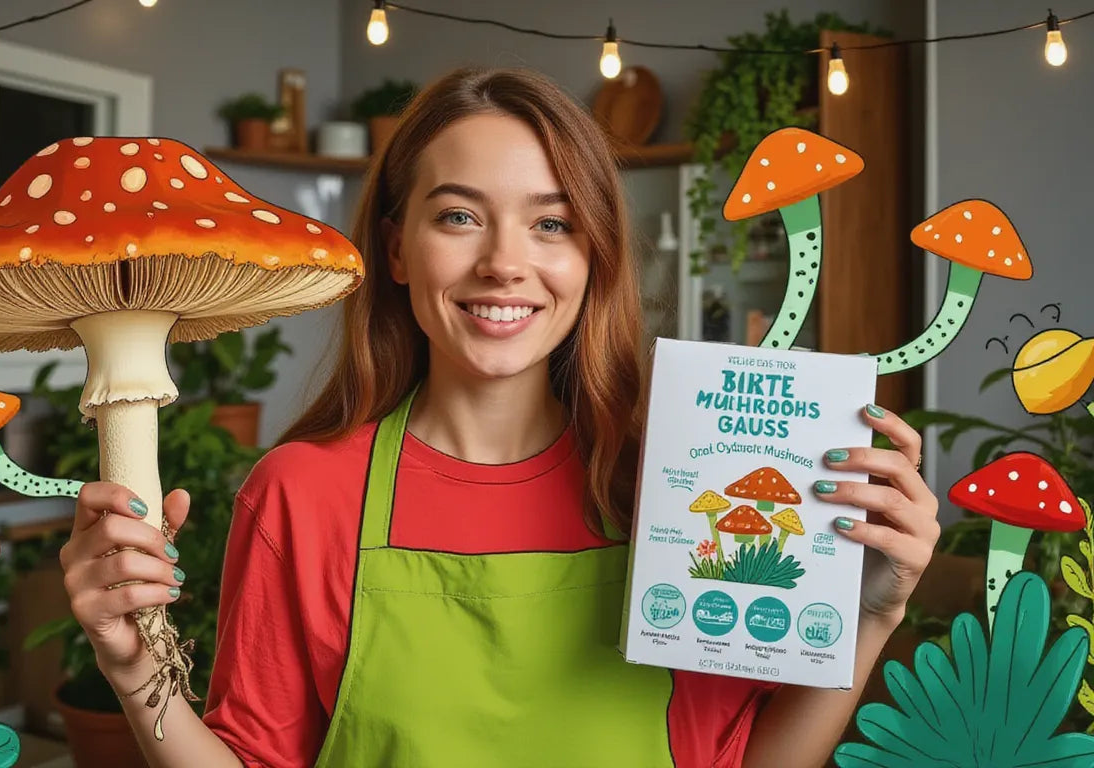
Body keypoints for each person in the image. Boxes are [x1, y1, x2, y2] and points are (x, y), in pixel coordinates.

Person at [57, 65, 941, 768]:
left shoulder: (677, 485)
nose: (504, 263)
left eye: (551, 225)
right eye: (459, 216)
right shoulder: (300, 494)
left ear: (594, 254)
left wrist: (871, 612)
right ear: (397, 249)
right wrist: (135, 672)